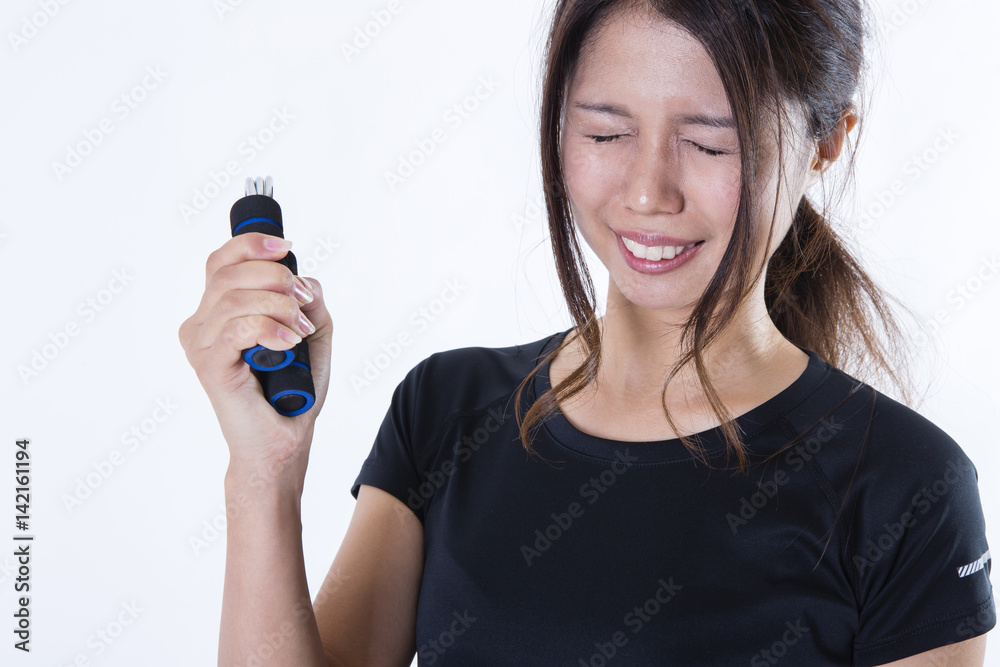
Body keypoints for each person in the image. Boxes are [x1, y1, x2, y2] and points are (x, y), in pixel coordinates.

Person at [178, 0, 995, 664]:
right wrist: (264, 470)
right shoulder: (448, 410)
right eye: (605, 132)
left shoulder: (905, 489)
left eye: (710, 142)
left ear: (827, 140)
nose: (647, 192)